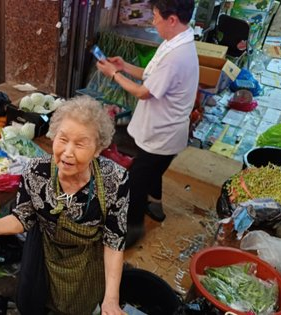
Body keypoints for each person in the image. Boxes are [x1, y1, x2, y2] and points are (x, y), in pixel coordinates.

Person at [0, 96, 129, 315]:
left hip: (86, 261)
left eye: (80, 144)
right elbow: (23, 217)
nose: (68, 152)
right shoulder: (36, 170)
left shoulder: (114, 179)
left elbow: (113, 240)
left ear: (98, 149)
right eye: (62, 139)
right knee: (34, 301)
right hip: (43, 252)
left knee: (77, 307)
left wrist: (111, 299)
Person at [96, 0, 198, 246]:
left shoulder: (177, 55)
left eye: (155, 17)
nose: (153, 22)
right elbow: (152, 76)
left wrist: (114, 74)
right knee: (154, 172)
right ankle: (156, 207)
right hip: (162, 132)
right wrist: (125, 66)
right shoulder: (175, 41)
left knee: (136, 182)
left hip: (161, 135)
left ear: (172, 19)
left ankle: (132, 230)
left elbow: (144, 92)